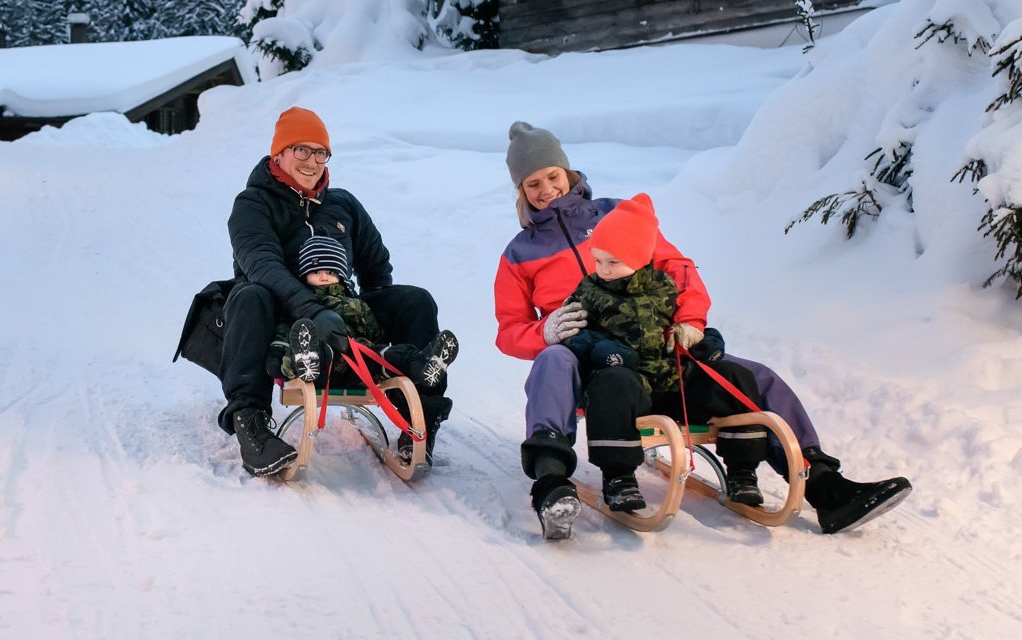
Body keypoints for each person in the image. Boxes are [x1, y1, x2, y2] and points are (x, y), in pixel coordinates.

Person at [493, 121, 912, 535]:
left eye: (552, 176)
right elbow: (509, 329)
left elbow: (679, 269)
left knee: (753, 375)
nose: (546, 189)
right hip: (590, 361)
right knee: (552, 360)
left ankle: (824, 484)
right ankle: (551, 483)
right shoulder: (519, 253)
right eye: (533, 183)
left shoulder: (618, 215)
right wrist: (545, 332)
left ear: (567, 172)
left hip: (655, 343)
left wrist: (690, 321)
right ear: (520, 190)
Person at [218, 107, 457, 477]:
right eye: (301, 150)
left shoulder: (342, 203)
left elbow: (376, 269)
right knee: (249, 295)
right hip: (277, 317)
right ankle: (251, 425)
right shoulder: (252, 204)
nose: (312, 161)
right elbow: (262, 266)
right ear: (278, 153)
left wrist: (365, 320)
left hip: (337, 310)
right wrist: (311, 312)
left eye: (320, 152)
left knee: (415, 301)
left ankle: (418, 422)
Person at [523, 194, 772, 538]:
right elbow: (575, 337)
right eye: (598, 260)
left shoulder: (665, 290)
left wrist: (703, 338)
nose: (603, 270)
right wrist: (601, 348)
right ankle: (619, 477)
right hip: (626, 387)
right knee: (615, 384)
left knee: (735, 376)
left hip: (670, 385)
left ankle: (743, 471)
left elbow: (688, 320)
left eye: (613, 262)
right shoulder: (590, 292)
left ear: (640, 259)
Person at [281, 236, 460, 462]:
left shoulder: (356, 305)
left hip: (357, 362)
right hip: (322, 367)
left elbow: (374, 331)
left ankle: (422, 364)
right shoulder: (298, 305)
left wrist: (373, 343)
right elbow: (283, 334)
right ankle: (306, 359)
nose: (324, 276)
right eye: (316, 271)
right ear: (305, 276)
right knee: (310, 346)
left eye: (331, 271)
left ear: (341, 275)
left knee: (386, 354)